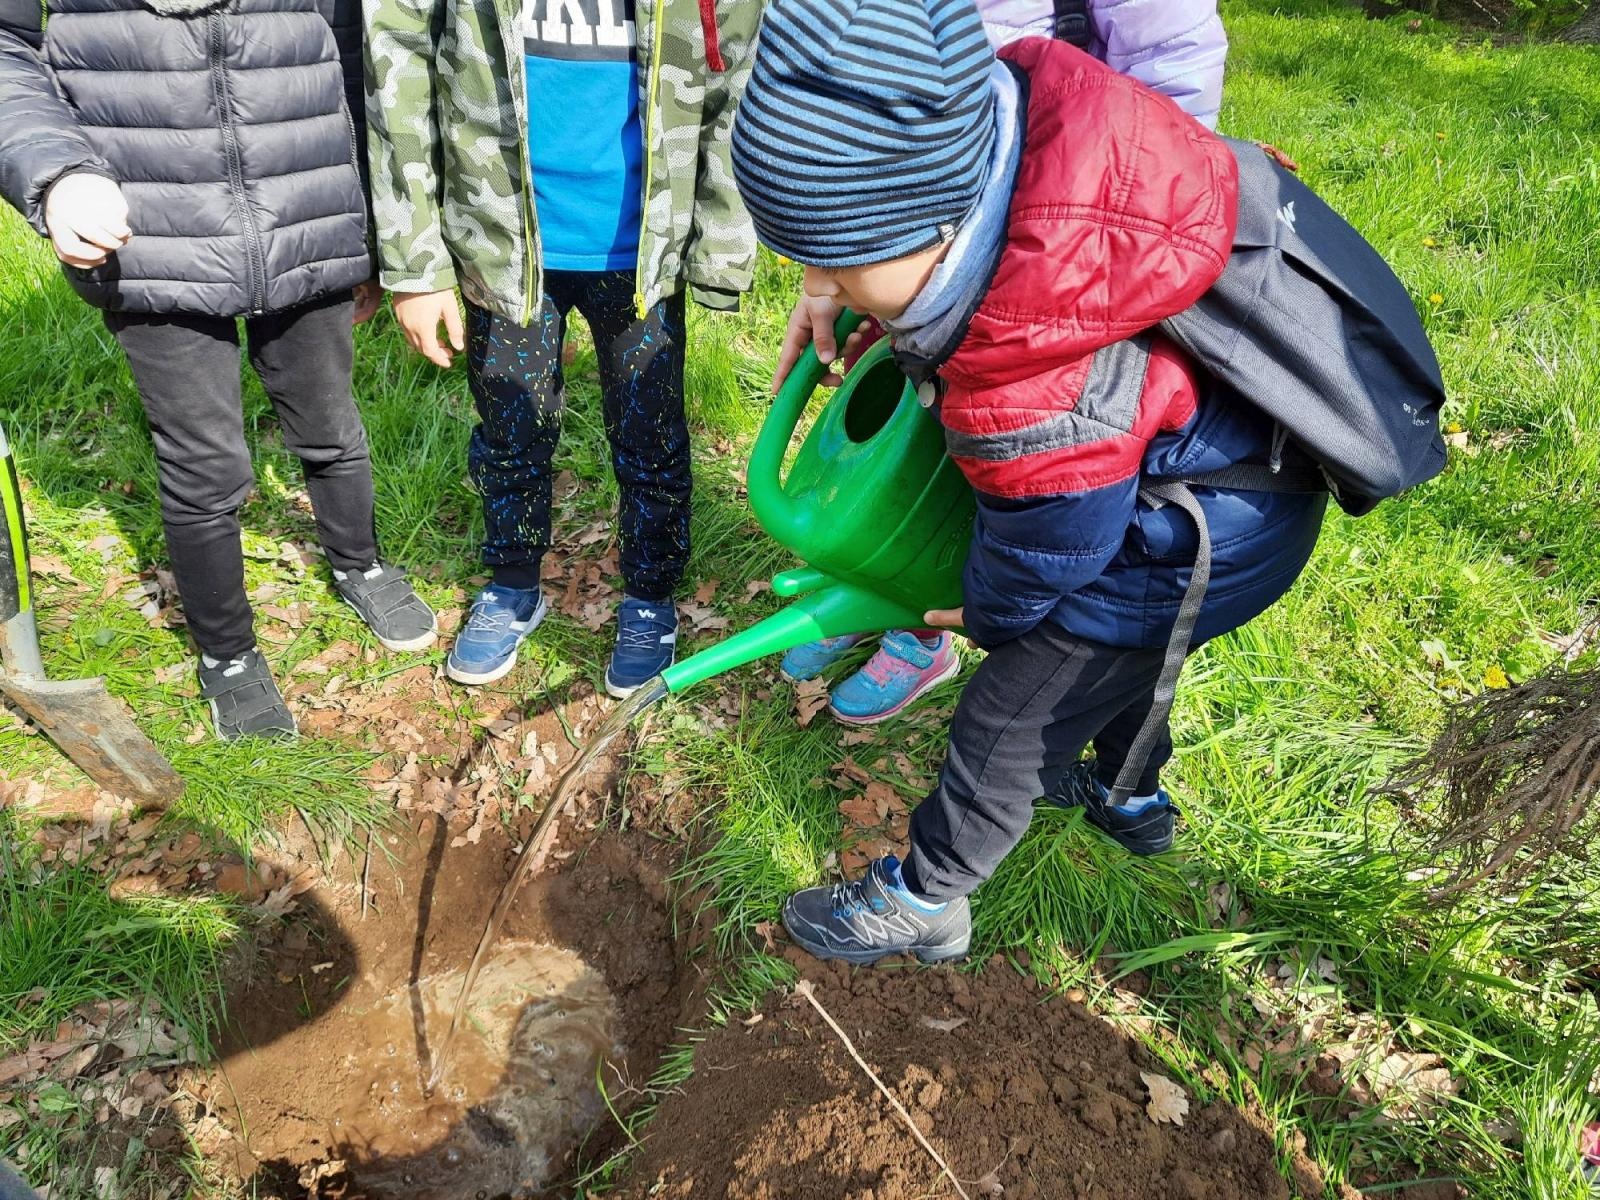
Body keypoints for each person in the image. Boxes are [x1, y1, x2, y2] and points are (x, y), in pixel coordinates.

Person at [730, 0, 1328, 964]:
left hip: (1188, 528)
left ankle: (928, 901)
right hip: (1233, 483)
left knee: (1013, 710)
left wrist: (984, 612)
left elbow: (1053, 541)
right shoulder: (1031, 127)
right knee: (1134, 658)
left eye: (840, 264)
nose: (828, 284)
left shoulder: (1026, 371)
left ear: (926, 227)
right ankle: (1129, 795)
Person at [774, 0, 1228, 727]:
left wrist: (1130, 231)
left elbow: (1170, 47)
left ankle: (923, 620)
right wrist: (826, 265)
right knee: (921, 442)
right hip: (908, 211)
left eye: (831, 268)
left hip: (1071, 228)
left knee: (1000, 472)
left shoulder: (1038, 408)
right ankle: (881, 581)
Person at [0, 0, 437, 741]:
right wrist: (55, 171)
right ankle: (227, 655)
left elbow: (357, 47)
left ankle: (361, 566)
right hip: (149, 233)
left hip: (309, 206)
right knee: (203, 465)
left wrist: (370, 228)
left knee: (330, 422)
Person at [365, 0, 762, 696]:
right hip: (506, 243)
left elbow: (737, 73)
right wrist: (415, 265)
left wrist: (721, 246)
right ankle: (514, 584)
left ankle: (649, 595)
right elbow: (396, 55)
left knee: (651, 437)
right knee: (511, 433)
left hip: (638, 248)